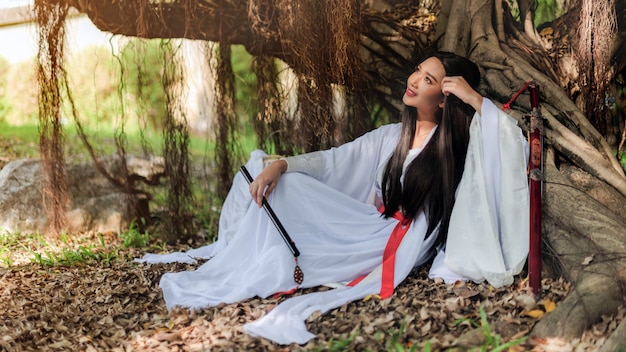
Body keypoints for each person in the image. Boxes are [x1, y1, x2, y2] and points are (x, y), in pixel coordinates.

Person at [137, 51, 530, 345]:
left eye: (428, 80)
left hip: (388, 243)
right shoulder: (390, 136)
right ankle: (246, 252)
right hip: (368, 223)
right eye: (419, 71)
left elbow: (510, 145)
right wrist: (283, 165)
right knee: (266, 171)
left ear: (445, 96)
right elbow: (333, 162)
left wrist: (473, 98)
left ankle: (265, 258)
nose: (414, 80)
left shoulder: (459, 150)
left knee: (285, 190)